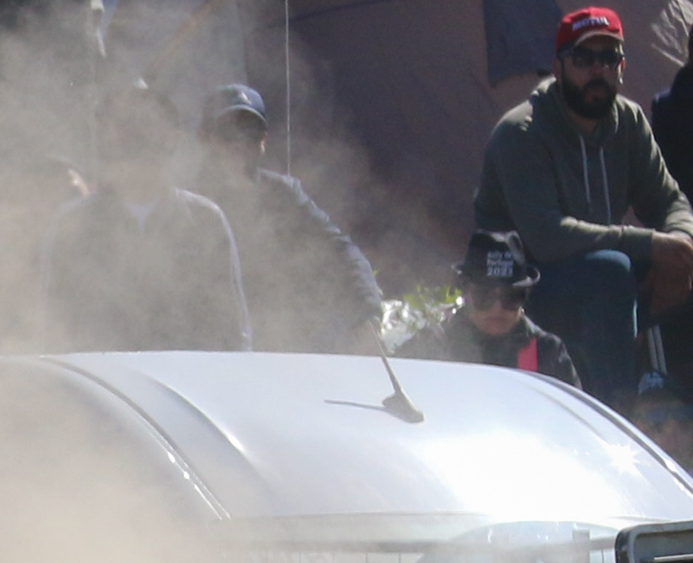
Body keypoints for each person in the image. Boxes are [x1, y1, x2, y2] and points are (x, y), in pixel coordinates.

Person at [473, 5, 693, 406]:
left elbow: (668, 199)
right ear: (558, 67)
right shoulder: (522, 132)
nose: (598, 70)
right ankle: (618, 408)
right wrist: (654, 246)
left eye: (609, 58)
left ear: (622, 67)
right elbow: (547, 237)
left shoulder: (628, 121)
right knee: (611, 271)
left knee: (667, 262)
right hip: (516, 285)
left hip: (595, 269)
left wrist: (680, 240)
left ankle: (674, 412)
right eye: (584, 58)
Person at [40, 82, 250, 351]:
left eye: (144, 133)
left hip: (183, 385)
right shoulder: (72, 224)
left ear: (169, 141)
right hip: (103, 385)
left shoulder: (206, 220)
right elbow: (52, 329)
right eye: (122, 133)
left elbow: (233, 332)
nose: (132, 143)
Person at [192, 83, 382, 354]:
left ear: (264, 140)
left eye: (251, 132)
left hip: (286, 348)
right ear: (204, 138)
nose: (239, 143)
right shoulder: (187, 205)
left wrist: (367, 311)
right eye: (227, 133)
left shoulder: (285, 194)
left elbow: (338, 249)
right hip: (213, 352)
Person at [416, 233, 577, 385]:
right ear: (465, 293)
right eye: (484, 295)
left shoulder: (548, 352)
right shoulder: (430, 344)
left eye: (511, 296)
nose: (497, 308)